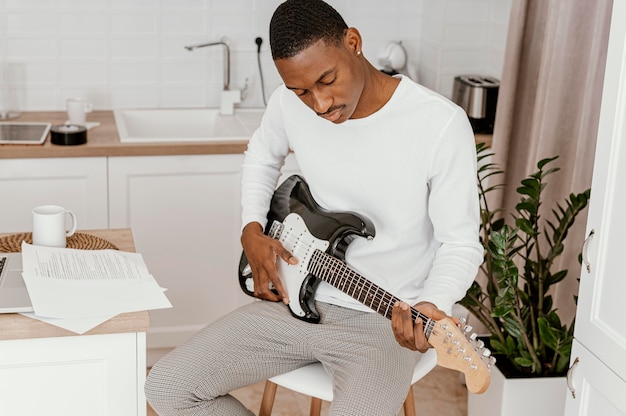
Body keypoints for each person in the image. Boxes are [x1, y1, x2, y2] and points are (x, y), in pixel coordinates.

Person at [145, 1, 483, 415]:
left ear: (353, 43)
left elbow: (461, 243)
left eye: (327, 80)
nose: (320, 104)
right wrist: (251, 228)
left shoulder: (439, 124)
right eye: (302, 91)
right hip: (296, 302)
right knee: (167, 387)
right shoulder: (289, 104)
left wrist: (435, 301)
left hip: (382, 324)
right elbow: (261, 155)